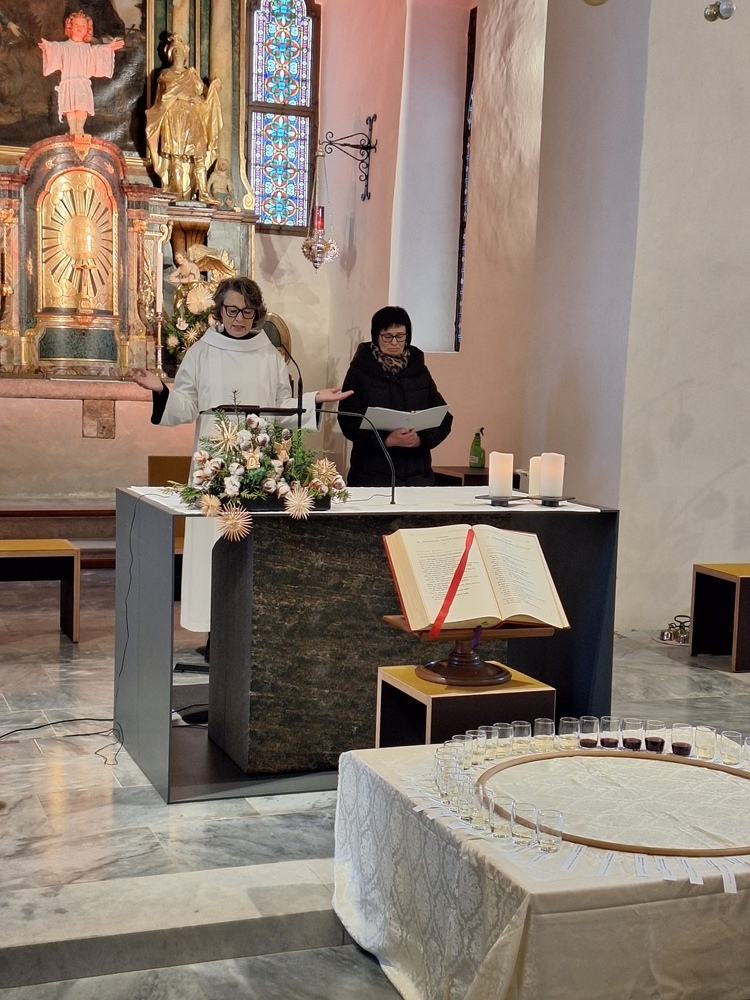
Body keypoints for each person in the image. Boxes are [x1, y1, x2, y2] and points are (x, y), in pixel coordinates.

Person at [130, 276, 352, 635]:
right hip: (214, 465)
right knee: (211, 543)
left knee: (253, 550)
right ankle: (213, 633)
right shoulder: (202, 352)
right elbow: (186, 405)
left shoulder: (269, 355)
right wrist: (161, 390)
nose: (239, 318)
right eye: (232, 310)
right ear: (219, 311)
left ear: (257, 313)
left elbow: (281, 407)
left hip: (259, 467)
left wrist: (313, 399)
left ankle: (250, 631)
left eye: (247, 311)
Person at [338, 306, 452, 487]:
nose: (394, 342)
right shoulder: (359, 371)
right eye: (387, 336)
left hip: (417, 477)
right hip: (372, 476)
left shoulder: (419, 370)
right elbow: (348, 420)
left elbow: (444, 418)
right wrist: (386, 440)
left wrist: (420, 440)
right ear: (376, 336)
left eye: (400, 336)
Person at [145, 33, 222, 203]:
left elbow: (203, 93)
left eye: (180, 50)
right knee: (176, 156)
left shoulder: (192, 74)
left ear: (185, 53)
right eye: (175, 50)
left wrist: (212, 89)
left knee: (199, 155)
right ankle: (177, 191)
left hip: (193, 118)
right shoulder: (166, 74)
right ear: (170, 55)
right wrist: (186, 97)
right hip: (174, 118)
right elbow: (165, 96)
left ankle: (203, 191)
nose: (178, 53)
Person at [39, 10, 123, 135]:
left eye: (83, 26)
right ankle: (73, 130)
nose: (79, 28)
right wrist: (47, 47)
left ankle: (80, 129)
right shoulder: (64, 46)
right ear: (70, 27)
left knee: (82, 106)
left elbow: (98, 51)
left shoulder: (88, 49)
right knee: (70, 108)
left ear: (87, 30)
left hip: (82, 83)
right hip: (68, 82)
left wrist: (109, 47)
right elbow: (54, 48)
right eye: (76, 25)